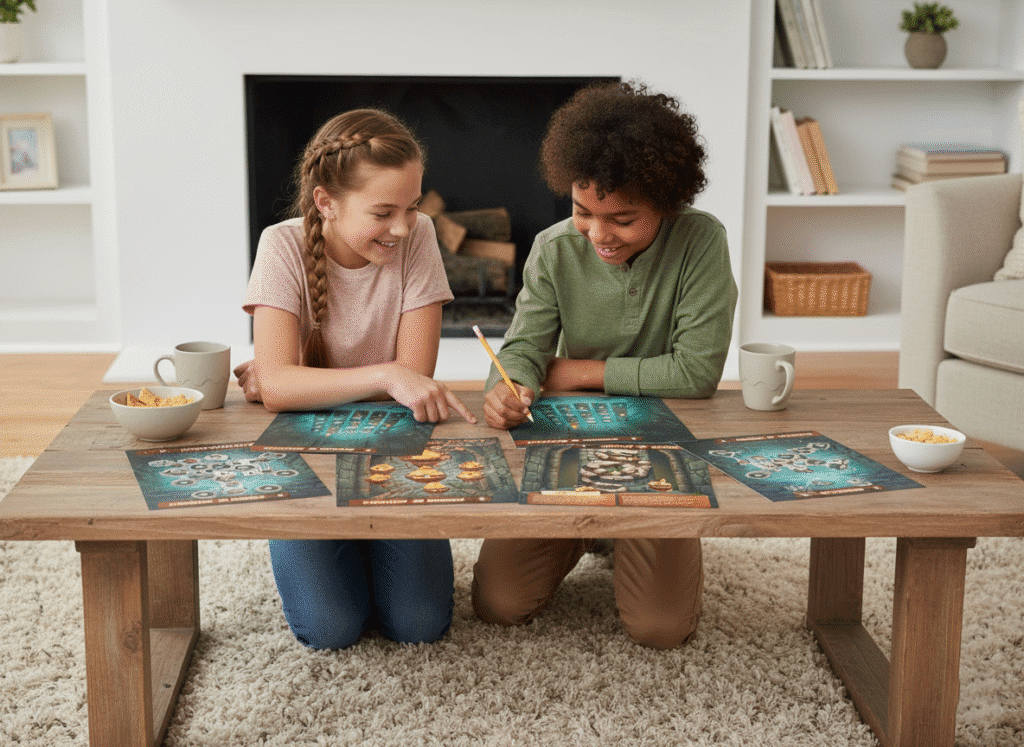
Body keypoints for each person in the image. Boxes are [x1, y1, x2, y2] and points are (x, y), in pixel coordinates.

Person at [473, 81, 738, 649]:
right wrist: (510, 383)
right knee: (498, 604)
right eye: (583, 212)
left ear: (666, 205)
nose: (599, 234)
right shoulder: (552, 249)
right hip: (568, 446)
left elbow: (695, 373)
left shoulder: (701, 241)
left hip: (663, 453)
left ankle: (632, 536)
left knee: (660, 629)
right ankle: (582, 536)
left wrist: (575, 372)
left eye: (622, 218)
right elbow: (523, 347)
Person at [237, 108, 476, 649]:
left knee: (419, 625)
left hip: (393, 456)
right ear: (326, 202)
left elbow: (416, 379)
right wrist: (387, 375)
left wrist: (308, 384)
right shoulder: (281, 245)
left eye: (412, 207)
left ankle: (370, 546)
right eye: (384, 211)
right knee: (329, 628)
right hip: (308, 461)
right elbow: (277, 387)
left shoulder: (420, 238)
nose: (403, 227)